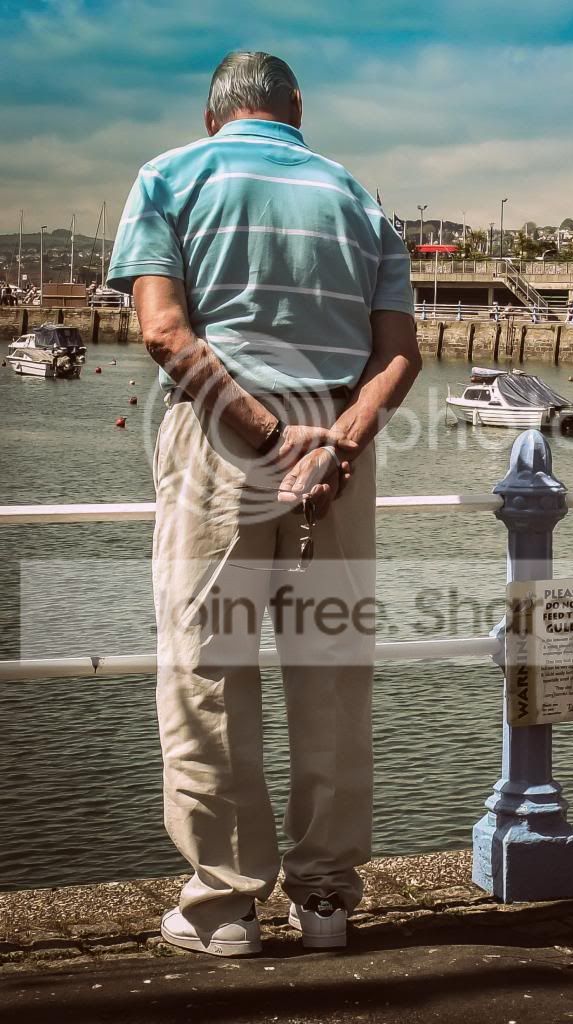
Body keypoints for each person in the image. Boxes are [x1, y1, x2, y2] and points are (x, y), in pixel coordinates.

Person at [106, 51, 420, 957]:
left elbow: (164, 329)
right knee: (331, 672)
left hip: (223, 435)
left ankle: (224, 905)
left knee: (208, 669)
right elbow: (399, 350)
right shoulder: (360, 196)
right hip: (338, 450)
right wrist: (340, 437)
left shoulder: (170, 175)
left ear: (215, 118)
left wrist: (264, 433)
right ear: (297, 111)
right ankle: (325, 898)